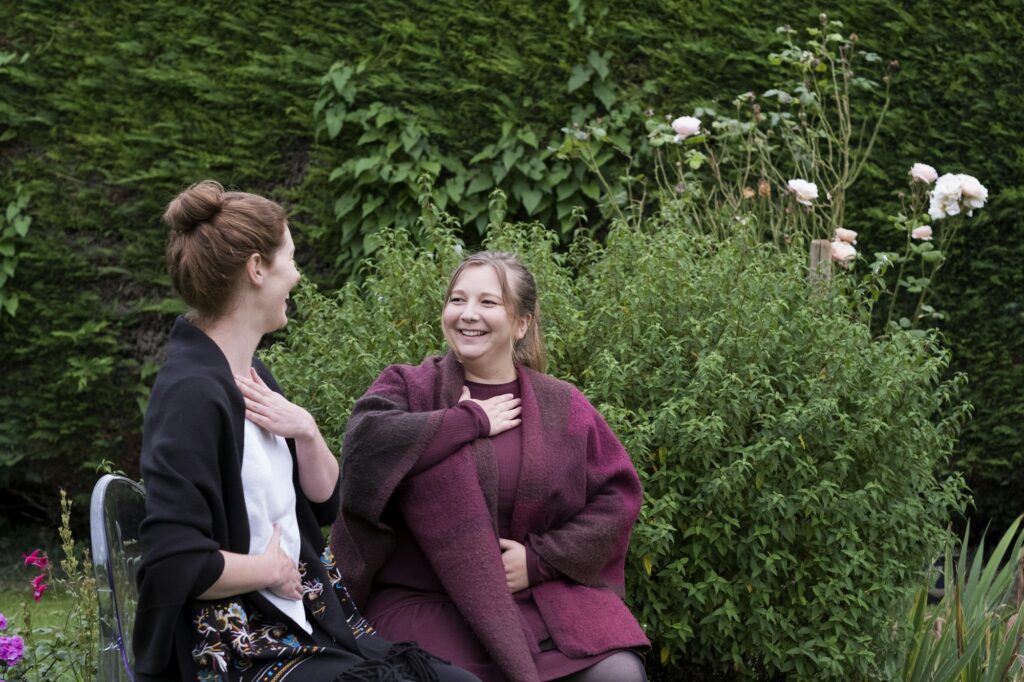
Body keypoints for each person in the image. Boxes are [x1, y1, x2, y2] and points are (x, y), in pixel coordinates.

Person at [133, 180, 478, 682]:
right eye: (289, 259)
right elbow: (172, 561)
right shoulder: (189, 395)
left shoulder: (252, 378)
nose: (297, 275)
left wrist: (308, 432)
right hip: (233, 643)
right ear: (256, 269)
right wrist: (272, 571)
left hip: (308, 618)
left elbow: (326, 503)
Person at [331, 251, 650, 682]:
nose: (468, 314)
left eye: (488, 302)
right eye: (457, 300)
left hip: (538, 600)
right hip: (426, 601)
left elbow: (618, 497)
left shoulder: (562, 404)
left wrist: (540, 561)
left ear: (521, 323)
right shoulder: (410, 387)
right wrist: (468, 421)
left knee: (618, 674)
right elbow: (366, 449)